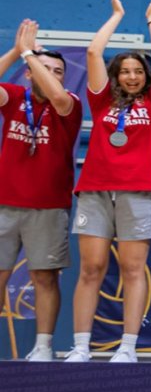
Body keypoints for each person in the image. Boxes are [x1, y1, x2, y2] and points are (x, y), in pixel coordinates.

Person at [66, 0, 151, 363]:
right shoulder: (101, 99)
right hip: (95, 190)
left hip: (138, 192)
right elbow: (94, 51)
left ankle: (127, 346)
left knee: (131, 268)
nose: (131, 76)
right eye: (125, 71)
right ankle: (81, 346)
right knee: (92, 268)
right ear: (116, 76)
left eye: (136, 72)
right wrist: (115, 15)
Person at [0, 20, 81, 361]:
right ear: (29, 74)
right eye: (42, 68)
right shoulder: (16, 97)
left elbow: (59, 96)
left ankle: (43, 347)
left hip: (48, 206)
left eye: (57, 70)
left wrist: (31, 54)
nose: (51, 74)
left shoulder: (70, 103)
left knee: (44, 278)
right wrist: (18, 52)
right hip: (5, 204)